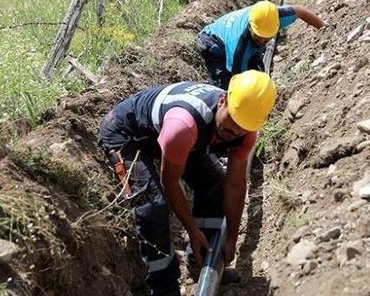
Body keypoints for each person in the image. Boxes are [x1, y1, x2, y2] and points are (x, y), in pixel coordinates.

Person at [98, 71, 277, 296]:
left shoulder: (245, 131)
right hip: (127, 133)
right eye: (232, 119)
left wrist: (231, 238)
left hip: (176, 137)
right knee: (152, 207)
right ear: (223, 101)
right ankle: (165, 290)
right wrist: (192, 230)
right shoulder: (184, 125)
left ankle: (205, 263)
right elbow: (170, 181)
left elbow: (235, 185)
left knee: (214, 184)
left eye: (243, 126)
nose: (235, 130)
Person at [196, 1, 325, 89]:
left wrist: (325, 29)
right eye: (259, 36)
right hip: (212, 42)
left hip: (233, 37)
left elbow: (300, 11)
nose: (263, 41)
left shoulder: (273, 16)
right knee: (225, 87)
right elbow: (237, 81)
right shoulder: (240, 47)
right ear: (251, 27)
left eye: (267, 37)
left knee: (257, 75)